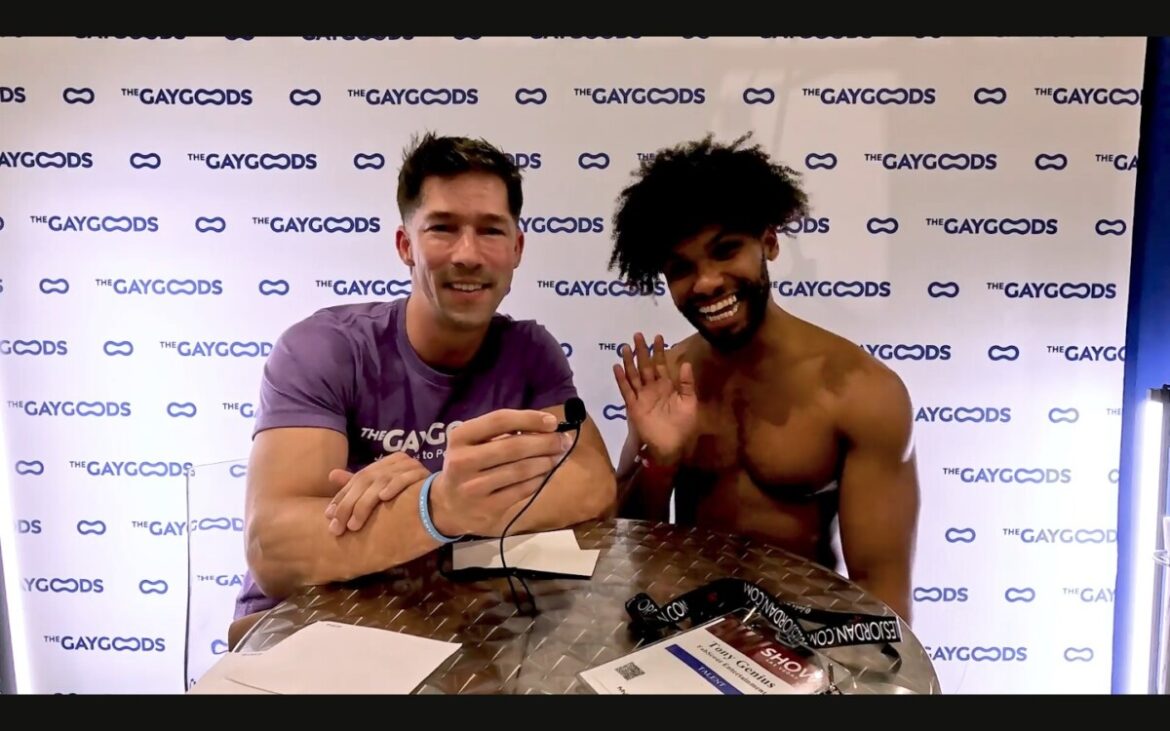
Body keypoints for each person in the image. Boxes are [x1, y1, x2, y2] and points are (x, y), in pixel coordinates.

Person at [234, 132, 617, 629]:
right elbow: (275, 550)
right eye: (442, 228)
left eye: (491, 231)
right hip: (314, 626)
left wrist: (436, 501)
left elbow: (592, 487)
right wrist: (437, 506)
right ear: (405, 245)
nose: (468, 254)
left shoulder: (529, 351)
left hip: (453, 614)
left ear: (517, 248)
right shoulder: (323, 347)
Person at [606, 133, 919, 622]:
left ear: (768, 243)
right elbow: (624, 545)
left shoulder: (862, 391)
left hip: (809, 637)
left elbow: (881, 588)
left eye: (726, 250)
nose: (707, 282)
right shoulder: (666, 379)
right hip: (684, 630)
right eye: (682, 269)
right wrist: (658, 463)